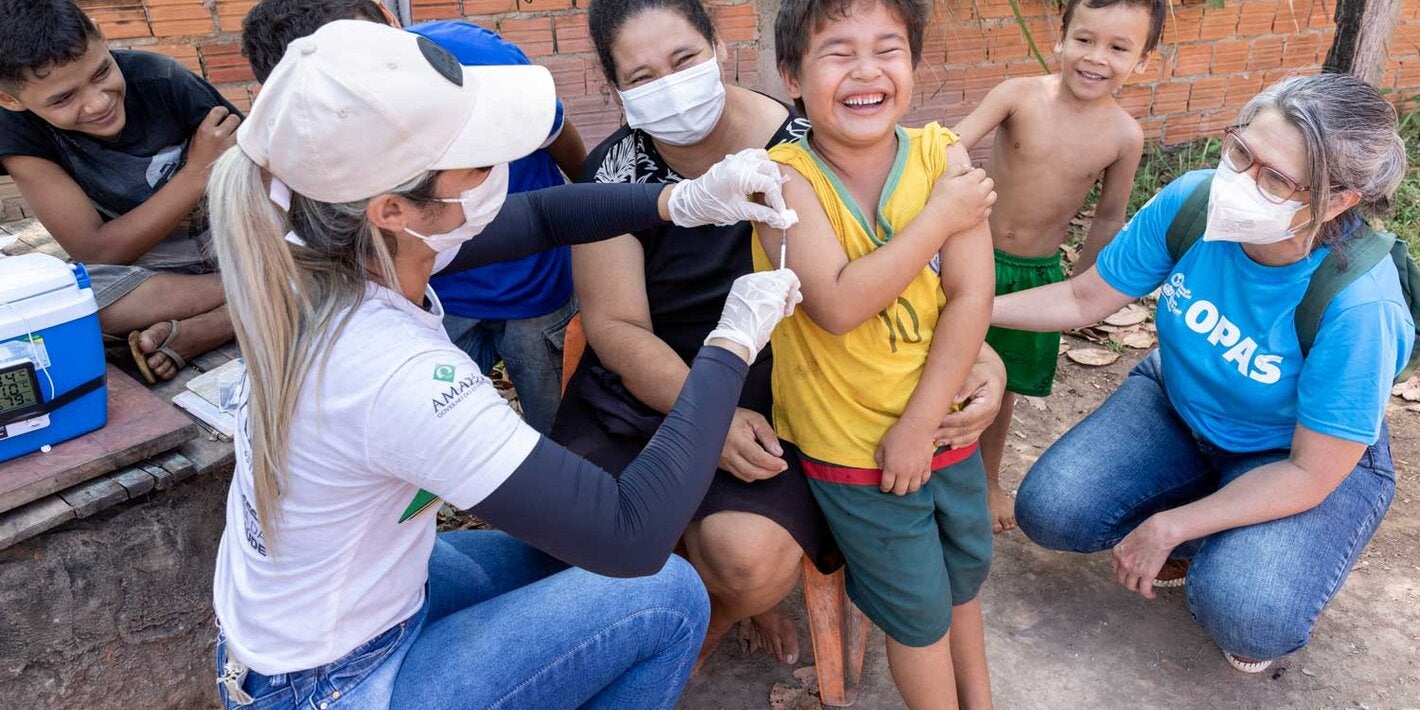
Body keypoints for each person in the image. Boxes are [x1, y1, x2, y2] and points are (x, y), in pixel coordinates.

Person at [210, 20, 803, 709]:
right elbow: (631, 534)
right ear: (394, 209)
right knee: (665, 593)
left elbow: (544, 217)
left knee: (561, 558)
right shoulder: (391, 372)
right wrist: (730, 344)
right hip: (337, 683)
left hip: (331, 613)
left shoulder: (324, 246)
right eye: (476, 158)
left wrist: (681, 199)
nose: (501, 168)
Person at [555, 0, 1008, 668]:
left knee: (747, 562)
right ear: (614, 87)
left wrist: (981, 355)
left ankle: (696, 634)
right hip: (652, 390)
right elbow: (616, 326)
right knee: (571, 543)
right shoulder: (615, 173)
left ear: (716, 49)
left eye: (683, 60)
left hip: (785, 392)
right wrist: (704, 415)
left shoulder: (810, 141)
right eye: (642, 75)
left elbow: (907, 263)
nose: (670, 85)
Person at [994, 73, 1412, 674]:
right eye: (1241, 151)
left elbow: (1310, 472)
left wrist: (1170, 525)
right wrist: (965, 308)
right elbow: (1083, 301)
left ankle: (1233, 544)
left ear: (1337, 200)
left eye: (1275, 178)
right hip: (1179, 404)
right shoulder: (1192, 203)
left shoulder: (1360, 307)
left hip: (1294, 455)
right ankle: (1220, 523)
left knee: (1248, 611)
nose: (1240, 182)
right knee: (1052, 511)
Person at [754, 0, 999, 706]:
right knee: (917, 617)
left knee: (962, 581)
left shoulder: (940, 155)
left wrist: (923, 423)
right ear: (792, 75)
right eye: (838, 52)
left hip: (942, 424)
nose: (868, 71)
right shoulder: (780, 181)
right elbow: (834, 302)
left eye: (888, 48)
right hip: (856, 452)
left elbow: (970, 297)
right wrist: (940, 219)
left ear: (913, 65)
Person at [241, 0, 587, 433]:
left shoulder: (479, 62)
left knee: (556, 425)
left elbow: (550, 154)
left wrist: (604, 195)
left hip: (529, 286)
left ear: (389, 19)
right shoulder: (389, 356)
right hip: (435, 298)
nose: (390, 76)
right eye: (478, 162)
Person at [951, 0, 1165, 533]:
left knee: (1001, 388)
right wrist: (954, 184)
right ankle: (928, 472)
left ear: (1143, 61)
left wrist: (1086, 284)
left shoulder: (1124, 136)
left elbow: (1109, 214)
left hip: (1036, 276)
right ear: (1060, 40)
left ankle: (988, 479)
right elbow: (953, 144)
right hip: (967, 254)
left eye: (1118, 48)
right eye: (1085, 39)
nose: (1096, 58)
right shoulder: (1017, 95)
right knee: (936, 362)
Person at [0, 0, 237, 383]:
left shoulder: (162, 78)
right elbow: (95, 250)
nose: (97, 102)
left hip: (235, 241)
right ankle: (260, 293)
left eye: (102, 71)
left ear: (100, 34)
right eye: (63, 99)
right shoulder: (17, 132)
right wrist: (196, 173)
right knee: (70, 303)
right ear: (10, 100)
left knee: (335, 234)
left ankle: (212, 325)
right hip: (156, 274)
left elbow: (264, 178)